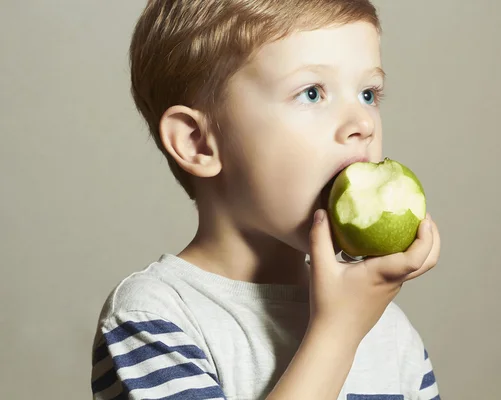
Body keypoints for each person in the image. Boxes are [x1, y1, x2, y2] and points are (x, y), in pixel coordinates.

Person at [90, 1, 442, 399]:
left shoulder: (389, 334)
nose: (363, 125)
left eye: (367, 94)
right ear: (198, 142)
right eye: (312, 93)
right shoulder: (153, 319)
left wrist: (351, 321)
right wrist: (338, 332)